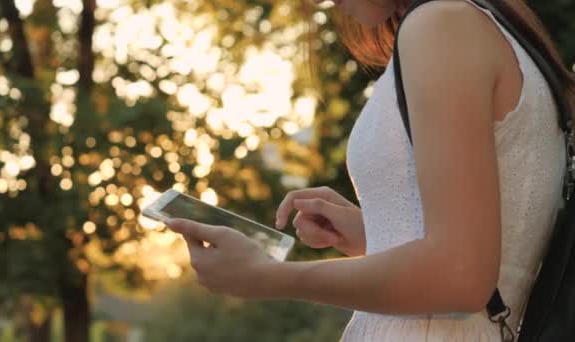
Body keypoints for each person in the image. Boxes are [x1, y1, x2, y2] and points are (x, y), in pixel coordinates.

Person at [166, 0, 575, 339]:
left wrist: (270, 276)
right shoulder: (483, 26)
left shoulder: (442, 25)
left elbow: (461, 278)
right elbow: (494, 256)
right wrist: (375, 232)